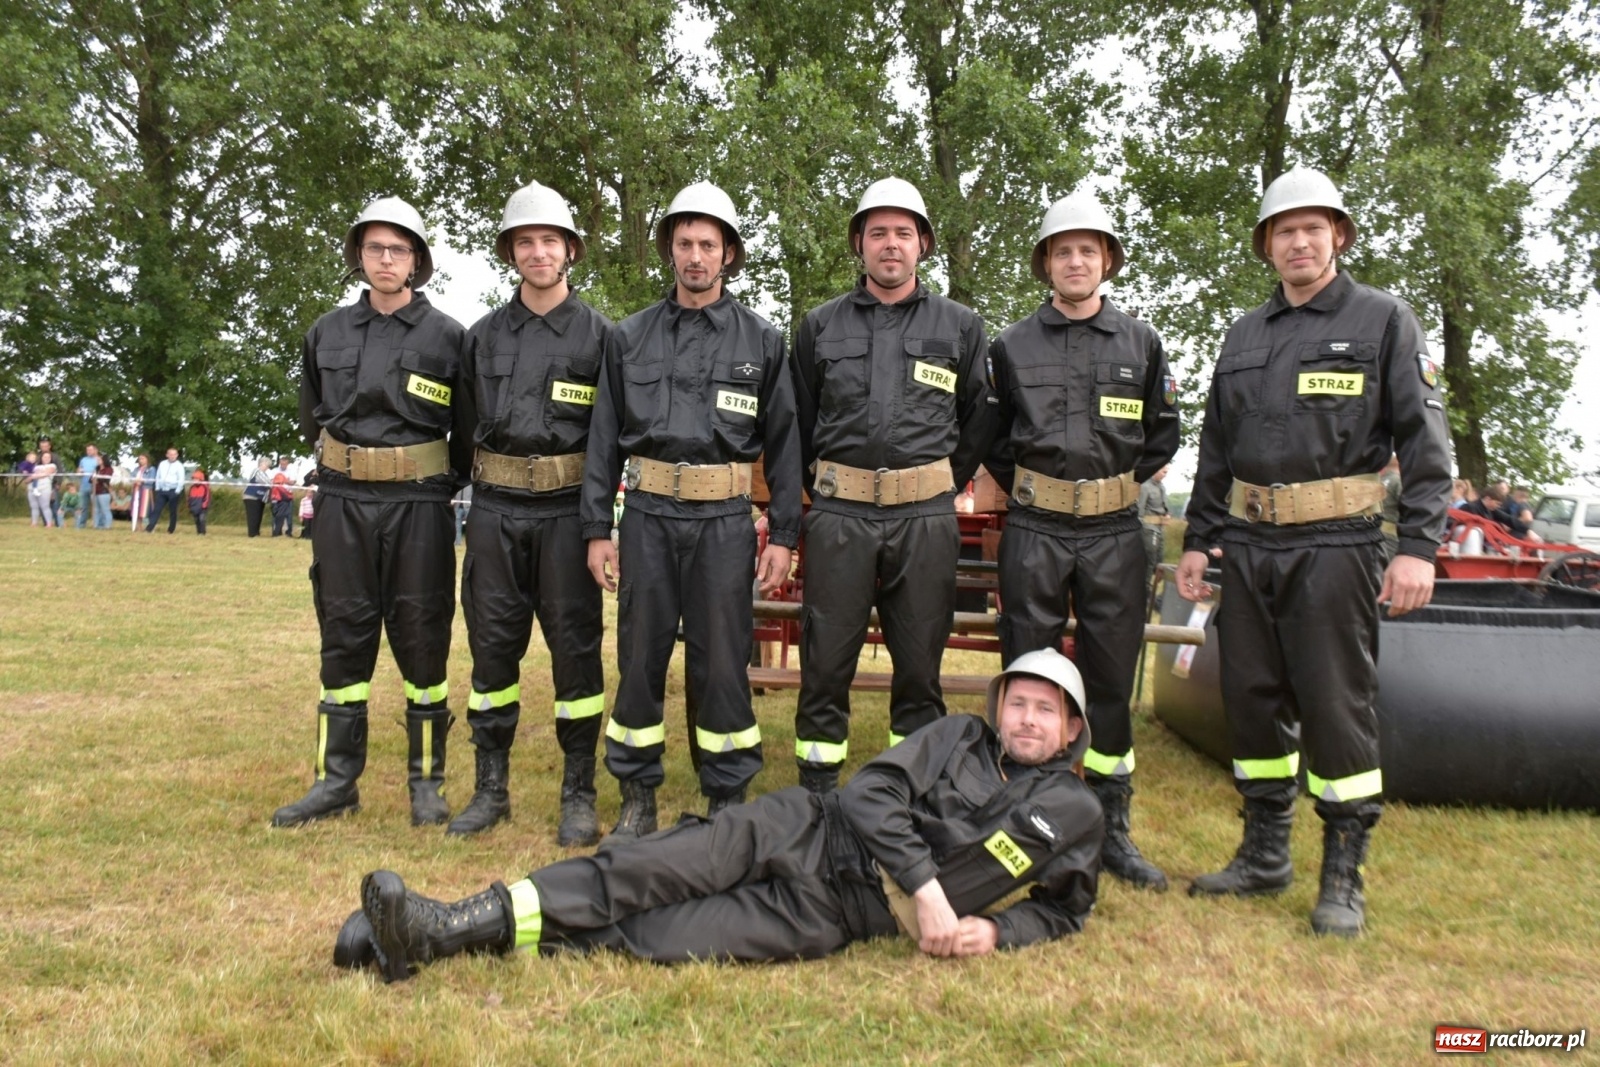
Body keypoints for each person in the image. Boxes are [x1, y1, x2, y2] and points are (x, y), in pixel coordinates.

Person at [335, 648, 1103, 983]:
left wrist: (1000, 929)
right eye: (1019, 703)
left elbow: (1066, 910)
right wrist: (930, 888)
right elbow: (871, 794)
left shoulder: (1074, 812)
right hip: (808, 824)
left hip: (840, 911)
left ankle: (442, 939)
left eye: (1046, 710)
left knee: (665, 936)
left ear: (1072, 729)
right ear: (999, 706)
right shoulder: (959, 733)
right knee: (648, 865)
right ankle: (449, 919)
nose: (1027, 720)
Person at [1175, 167, 1452, 937]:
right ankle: (1265, 853)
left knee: (1336, 706)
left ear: (1338, 235)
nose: (1299, 241)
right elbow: (1216, 450)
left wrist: (1418, 547)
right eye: (1284, 231)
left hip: (1338, 542)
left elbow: (1426, 443)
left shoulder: (1383, 320)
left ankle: (1343, 874)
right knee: (1253, 698)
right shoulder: (1243, 335)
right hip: (1251, 543)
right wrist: (1201, 537)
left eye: (1313, 228)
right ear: (1267, 245)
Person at [581, 181, 802, 835]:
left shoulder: (762, 341)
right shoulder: (629, 338)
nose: (696, 256)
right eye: (684, 243)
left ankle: (726, 790)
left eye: (709, 243)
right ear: (669, 251)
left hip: (725, 526)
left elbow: (786, 446)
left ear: (729, 253)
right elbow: (602, 439)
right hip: (646, 516)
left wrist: (784, 534)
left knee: (722, 659)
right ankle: (637, 791)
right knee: (640, 654)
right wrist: (598, 527)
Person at [985, 191, 1181, 891]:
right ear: (1046, 262)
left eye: (1088, 250)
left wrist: (1105, 490)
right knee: (1030, 677)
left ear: (1107, 262)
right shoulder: (1009, 345)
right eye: (1062, 250)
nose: (1075, 260)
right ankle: (1025, 815)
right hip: (1035, 528)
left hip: (1114, 533)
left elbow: (1164, 433)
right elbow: (992, 439)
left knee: (1108, 679)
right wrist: (1042, 489)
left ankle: (1111, 827)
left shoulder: (1142, 343)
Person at [788, 177, 997, 796]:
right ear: (859, 243)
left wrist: (936, 484)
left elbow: (979, 419)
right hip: (839, 519)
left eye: (903, 233)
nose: (890, 244)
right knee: (825, 659)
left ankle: (911, 788)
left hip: (924, 521)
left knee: (920, 661)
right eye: (877, 232)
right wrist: (829, 489)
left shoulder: (961, 327)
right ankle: (818, 788)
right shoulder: (819, 326)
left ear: (923, 244)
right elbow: (798, 422)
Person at [272, 196, 471, 830]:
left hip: (420, 506)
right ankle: (336, 781)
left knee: (423, 638)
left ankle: (426, 783)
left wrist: (424, 479)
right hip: (343, 503)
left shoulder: (450, 338)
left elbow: (465, 434)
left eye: (399, 249)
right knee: (343, 636)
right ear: (359, 255)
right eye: (375, 248)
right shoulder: (324, 332)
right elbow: (313, 417)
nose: (386, 259)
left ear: (417, 261)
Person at [450, 182, 615, 842]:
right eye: (526, 242)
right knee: (492, 652)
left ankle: (578, 790)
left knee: (577, 654)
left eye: (551, 240)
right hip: (493, 512)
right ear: (511, 253)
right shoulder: (481, 338)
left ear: (570, 250)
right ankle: (491, 787)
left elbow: (609, 440)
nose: (539, 252)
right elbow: (463, 426)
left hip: (567, 516)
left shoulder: (603, 337)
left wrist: (599, 526)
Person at [1139, 467, 1172, 584]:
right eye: (1164, 472)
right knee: (1149, 562)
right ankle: (1145, 594)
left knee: (1160, 562)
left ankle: (1153, 594)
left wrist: (1167, 514)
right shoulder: (1145, 487)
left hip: (1160, 529)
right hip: (1148, 529)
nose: (1165, 475)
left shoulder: (1162, 487)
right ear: (1156, 470)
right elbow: (1139, 512)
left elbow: (1164, 507)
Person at [145, 448, 185, 533]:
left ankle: (171, 530)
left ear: (177, 455)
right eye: (170, 454)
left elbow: (181, 479)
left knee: (172, 511)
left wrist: (177, 491)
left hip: (173, 490)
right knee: (157, 509)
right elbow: (158, 476)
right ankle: (149, 528)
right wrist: (157, 488)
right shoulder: (162, 464)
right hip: (162, 490)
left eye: (174, 454)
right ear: (167, 455)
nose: (172, 456)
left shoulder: (179, 466)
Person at [26, 451, 57, 527]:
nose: (46, 458)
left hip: (44, 488)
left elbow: (47, 473)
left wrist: (34, 476)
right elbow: (27, 479)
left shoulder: (52, 465)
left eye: (48, 457)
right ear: (41, 458)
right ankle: (34, 523)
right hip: (32, 489)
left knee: (45, 506)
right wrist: (31, 476)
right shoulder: (36, 466)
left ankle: (49, 523)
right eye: (44, 457)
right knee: (34, 506)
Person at [244, 458, 273, 537]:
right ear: (262, 464)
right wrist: (273, 482)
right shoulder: (257, 471)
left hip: (260, 497)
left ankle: (256, 532)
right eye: (267, 465)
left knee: (258, 516)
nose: (267, 467)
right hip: (252, 496)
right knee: (253, 516)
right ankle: (252, 533)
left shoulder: (264, 474)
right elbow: (268, 483)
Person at [270, 456, 296, 537]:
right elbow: (272, 481)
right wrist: (285, 480)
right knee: (276, 514)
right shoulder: (274, 471)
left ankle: (288, 532)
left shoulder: (291, 471)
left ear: (287, 463)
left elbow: (293, 482)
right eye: (282, 463)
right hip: (276, 495)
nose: (283, 464)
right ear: (279, 462)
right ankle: (276, 531)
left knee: (288, 514)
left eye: (285, 463)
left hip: (287, 495)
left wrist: (283, 480)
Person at [75, 444, 100, 529]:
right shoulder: (83, 460)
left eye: (90, 450)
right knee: (83, 506)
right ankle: (82, 524)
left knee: (95, 506)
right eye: (87, 450)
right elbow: (79, 470)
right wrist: (79, 471)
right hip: (84, 485)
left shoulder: (98, 460)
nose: (88, 451)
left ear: (95, 450)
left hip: (94, 486)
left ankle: (96, 524)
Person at [132, 454, 155, 531]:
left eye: (143, 458)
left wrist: (142, 481)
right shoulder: (136, 469)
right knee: (137, 507)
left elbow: (151, 480)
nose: (141, 460)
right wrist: (135, 481)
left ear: (147, 459)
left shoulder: (151, 469)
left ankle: (148, 526)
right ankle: (138, 526)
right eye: (140, 459)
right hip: (136, 490)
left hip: (146, 490)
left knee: (146, 508)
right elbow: (131, 477)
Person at [92, 453, 114, 529]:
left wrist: (97, 479)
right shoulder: (96, 469)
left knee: (105, 509)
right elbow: (91, 479)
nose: (98, 461)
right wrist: (94, 479)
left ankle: (107, 525)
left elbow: (105, 479)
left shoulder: (109, 469)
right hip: (95, 491)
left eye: (99, 459)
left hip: (103, 492)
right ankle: (97, 525)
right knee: (96, 510)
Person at [188, 468, 212, 535]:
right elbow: (189, 497)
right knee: (196, 520)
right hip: (194, 507)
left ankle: (203, 532)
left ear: (200, 479)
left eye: (196, 479)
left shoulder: (205, 487)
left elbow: (207, 497)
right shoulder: (192, 488)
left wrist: (204, 504)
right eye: (194, 479)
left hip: (202, 508)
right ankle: (198, 532)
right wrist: (189, 505)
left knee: (202, 519)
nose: (194, 480)